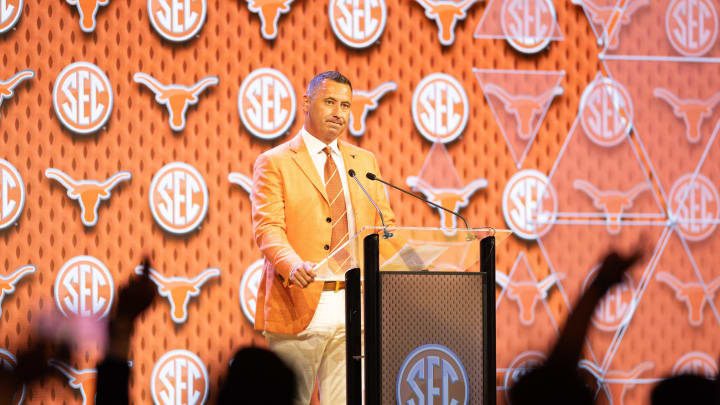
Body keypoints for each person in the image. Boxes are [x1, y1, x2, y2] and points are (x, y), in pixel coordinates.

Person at [251, 71, 396, 405]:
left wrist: (418, 265)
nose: (338, 112)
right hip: (298, 301)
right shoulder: (274, 162)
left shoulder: (365, 162)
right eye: (330, 102)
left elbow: (384, 228)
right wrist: (292, 264)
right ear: (306, 103)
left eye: (346, 105)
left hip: (353, 307)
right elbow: (268, 228)